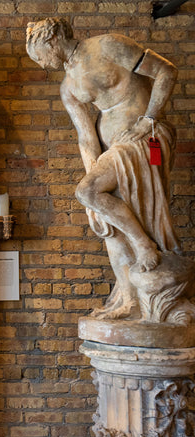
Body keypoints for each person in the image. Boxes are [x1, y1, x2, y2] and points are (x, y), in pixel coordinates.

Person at [26, 18, 180, 319]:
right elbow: (86, 137)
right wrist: (92, 181)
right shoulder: (67, 87)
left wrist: (148, 118)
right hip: (113, 150)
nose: (43, 64)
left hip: (146, 139)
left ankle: (144, 244)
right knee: (105, 219)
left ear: (53, 39)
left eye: (41, 55)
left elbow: (166, 71)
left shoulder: (108, 45)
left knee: (88, 191)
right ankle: (129, 301)